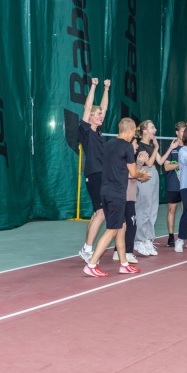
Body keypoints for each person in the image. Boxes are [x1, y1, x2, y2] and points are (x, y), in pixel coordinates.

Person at [84, 118, 151, 277]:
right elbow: (133, 173)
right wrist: (142, 175)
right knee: (112, 230)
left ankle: (124, 264)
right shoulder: (127, 147)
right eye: (133, 132)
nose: (133, 136)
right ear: (129, 131)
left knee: (121, 227)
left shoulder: (108, 144)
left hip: (105, 192)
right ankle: (91, 264)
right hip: (116, 194)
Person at [133, 121, 179, 256]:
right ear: (145, 130)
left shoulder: (152, 146)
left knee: (153, 210)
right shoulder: (140, 145)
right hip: (144, 175)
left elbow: (160, 161)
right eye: (152, 127)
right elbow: (149, 162)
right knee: (144, 209)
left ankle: (148, 239)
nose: (155, 130)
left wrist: (170, 148)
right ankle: (139, 240)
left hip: (154, 175)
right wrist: (157, 148)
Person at [78, 78, 110, 262]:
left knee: (97, 212)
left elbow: (103, 107)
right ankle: (88, 249)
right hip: (94, 173)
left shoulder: (97, 131)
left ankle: (86, 247)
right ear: (90, 116)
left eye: (101, 115)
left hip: (101, 173)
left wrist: (106, 89)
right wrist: (94, 86)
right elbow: (88, 107)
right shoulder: (85, 130)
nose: (101, 116)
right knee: (101, 213)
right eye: (97, 114)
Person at [112, 138, 149, 264]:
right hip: (126, 196)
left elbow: (134, 175)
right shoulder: (126, 158)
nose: (137, 146)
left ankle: (117, 251)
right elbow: (130, 174)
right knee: (131, 225)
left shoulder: (129, 158)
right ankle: (127, 252)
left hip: (129, 196)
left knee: (123, 225)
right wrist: (140, 163)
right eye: (135, 143)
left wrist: (142, 176)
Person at [165, 122, 187, 247]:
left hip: (186, 185)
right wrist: (180, 164)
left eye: (186, 131)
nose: (185, 133)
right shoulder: (172, 147)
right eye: (183, 131)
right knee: (172, 209)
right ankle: (171, 236)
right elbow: (166, 167)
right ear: (177, 132)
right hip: (173, 184)